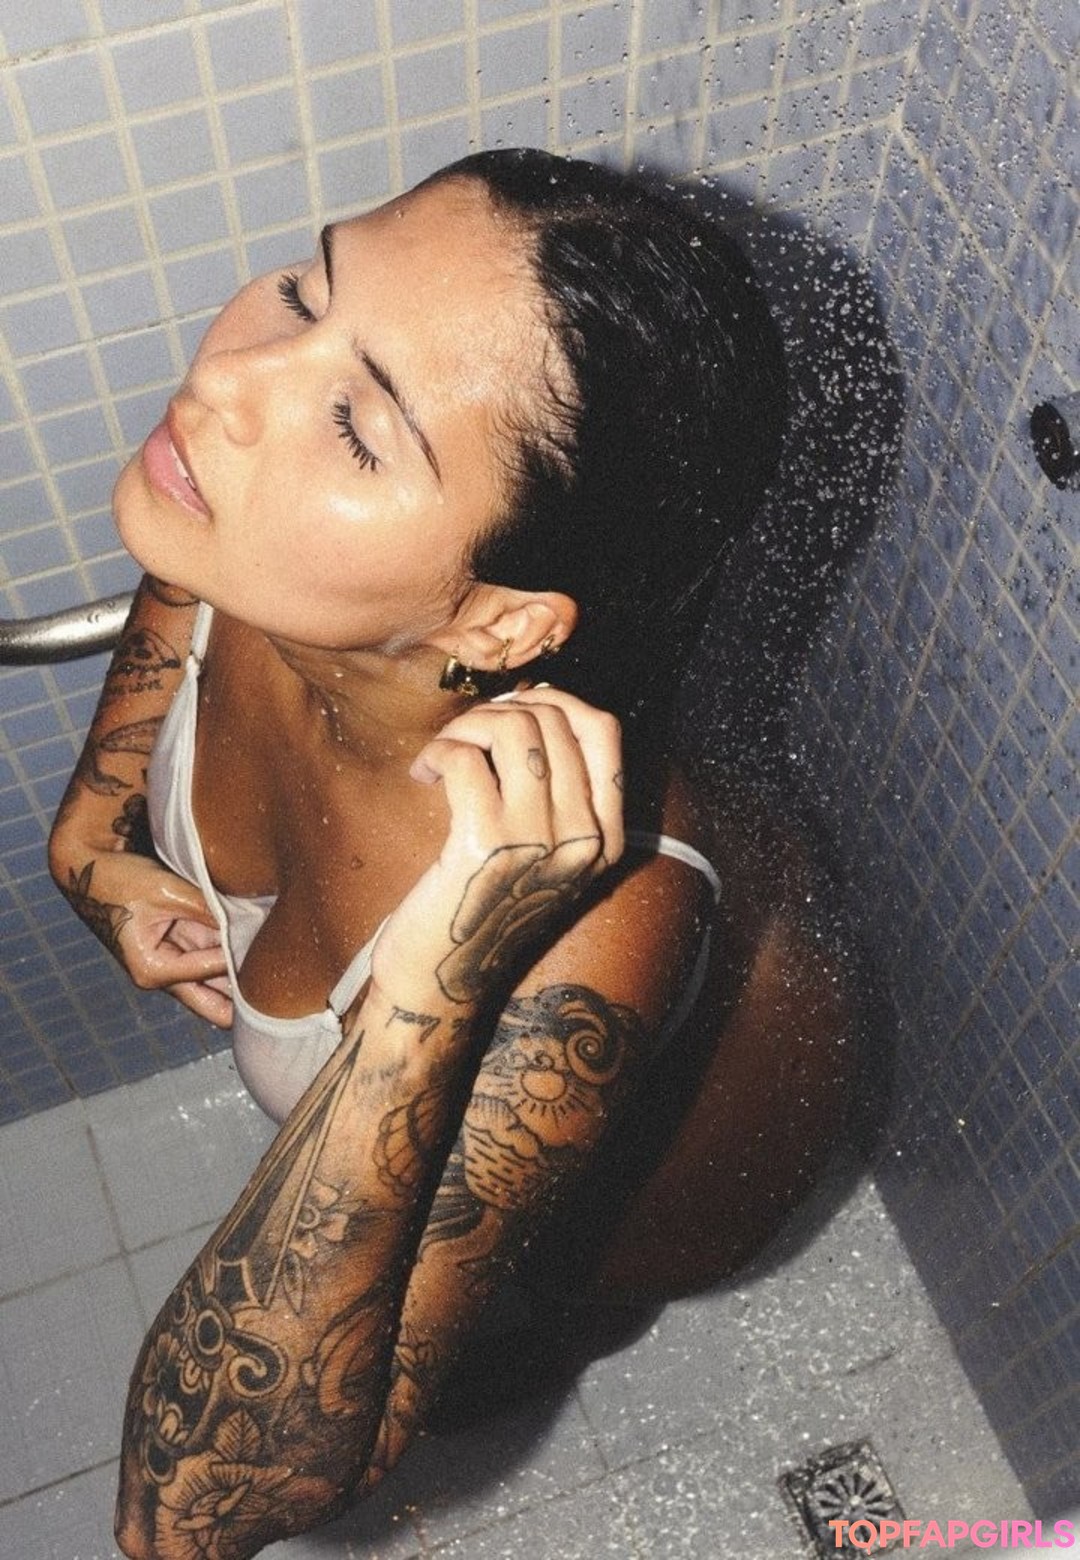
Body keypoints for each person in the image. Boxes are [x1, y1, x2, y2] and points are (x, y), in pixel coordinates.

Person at [49, 149, 856, 1559]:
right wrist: (102, 883)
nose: (229, 382)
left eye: (359, 427)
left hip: (671, 1182)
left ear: (497, 624)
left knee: (504, 1350)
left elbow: (183, 1518)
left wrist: (437, 980)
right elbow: (92, 822)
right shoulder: (231, 536)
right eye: (306, 291)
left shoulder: (588, 930)